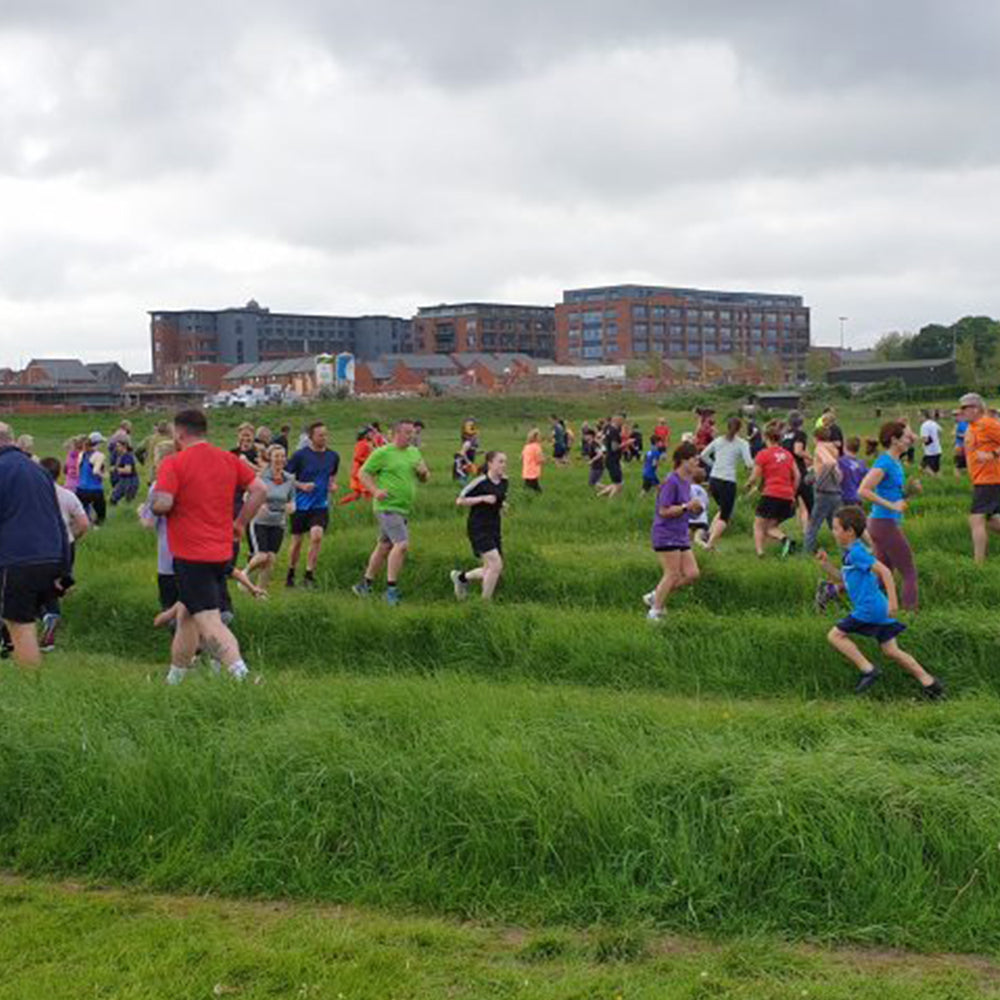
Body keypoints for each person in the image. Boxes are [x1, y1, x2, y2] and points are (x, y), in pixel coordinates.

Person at [151, 408, 267, 684]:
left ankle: (243, 676)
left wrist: (154, 507)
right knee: (187, 616)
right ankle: (174, 680)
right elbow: (260, 490)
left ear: (179, 433)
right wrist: (239, 523)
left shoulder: (173, 463)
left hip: (191, 554)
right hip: (221, 551)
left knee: (208, 620)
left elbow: (164, 503)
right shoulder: (229, 459)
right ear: (204, 431)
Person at [816, 505, 943, 698]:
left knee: (835, 636)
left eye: (835, 528)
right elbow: (846, 578)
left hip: (870, 609)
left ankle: (868, 670)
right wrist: (826, 566)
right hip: (877, 607)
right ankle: (930, 684)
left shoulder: (857, 553)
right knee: (891, 650)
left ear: (849, 531)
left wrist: (893, 602)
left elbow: (884, 571)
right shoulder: (852, 554)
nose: (833, 532)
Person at [0, 422, 71, 666]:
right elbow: (58, 520)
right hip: (49, 556)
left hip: (16, 559)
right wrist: (65, 568)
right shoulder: (38, 470)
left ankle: (33, 688)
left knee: (20, 624)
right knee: (22, 617)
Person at [353, 420, 429, 605]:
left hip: (403, 508)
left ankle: (365, 585)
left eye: (412, 433)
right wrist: (375, 491)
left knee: (384, 546)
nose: (411, 436)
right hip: (387, 507)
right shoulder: (383, 452)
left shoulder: (414, 452)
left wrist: (423, 472)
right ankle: (391, 590)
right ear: (396, 433)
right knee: (401, 545)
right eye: (407, 433)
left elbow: (425, 477)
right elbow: (363, 473)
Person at [857, 420, 919, 611]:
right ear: (894, 440)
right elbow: (863, 490)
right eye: (906, 437)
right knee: (909, 572)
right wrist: (891, 505)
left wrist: (910, 492)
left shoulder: (895, 462)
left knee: (883, 576)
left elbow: (892, 494)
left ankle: (835, 591)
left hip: (882, 523)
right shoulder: (885, 461)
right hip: (884, 523)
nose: (910, 440)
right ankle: (911, 615)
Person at [642, 441, 702, 621]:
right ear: (683, 460)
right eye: (694, 459)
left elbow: (683, 507)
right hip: (666, 533)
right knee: (672, 573)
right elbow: (663, 511)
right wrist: (686, 507)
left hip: (680, 533)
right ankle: (655, 613)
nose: (697, 463)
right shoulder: (671, 481)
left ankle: (655, 595)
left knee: (692, 574)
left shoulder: (686, 481)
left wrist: (694, 509)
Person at [38, 456, 90, 653]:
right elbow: (84, 523)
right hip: (65, 546)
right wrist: (72, 537)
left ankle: (46, 615)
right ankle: (50, 619)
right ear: (59, 473)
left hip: (39, 547)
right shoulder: (67, 495)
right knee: (58, 584)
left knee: (35, 585)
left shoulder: (33, 495)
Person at [285, 421, 340, 588]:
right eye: (320, 435)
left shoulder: (333, 456)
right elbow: (285, 476)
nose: (324, 438)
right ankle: (291, 572)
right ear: (311, 437)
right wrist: (301, 486)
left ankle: (309, 575)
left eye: (326, 434)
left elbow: (332, 475)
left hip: (320, 505)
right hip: (300, 505)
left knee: (316, 537)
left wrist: (333, 485)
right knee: (297, 542)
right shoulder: (300, 456)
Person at [451, 450, 508, 601]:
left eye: (505, 462)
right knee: (496, 565)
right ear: (490, 464)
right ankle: (484, 605)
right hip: (478, 528)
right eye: (500, 462)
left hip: (494, 527)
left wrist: (503, 506)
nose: (504, 465)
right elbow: (460, 500)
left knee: (490, 569)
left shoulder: (504, 481)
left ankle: (461, 578)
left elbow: (499, 499)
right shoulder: (480, 482)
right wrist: (482, 498)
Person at [246, 444, 296, 590]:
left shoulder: (290, 479)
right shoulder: (261, 477)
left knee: (271, 558)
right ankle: (244, 575)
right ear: (270, 458)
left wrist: (292, 506)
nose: (279, 459)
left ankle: (261, 591)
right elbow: (247, 496)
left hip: (278, 523)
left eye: (282, 456)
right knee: (262, 556)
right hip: (260, 521)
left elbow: (292, 500)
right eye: (276, 456)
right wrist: (259, 504)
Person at [746, 420, 800, 558]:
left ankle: (760, 553)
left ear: (766, 437)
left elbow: (754, 477)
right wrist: (793, 493)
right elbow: (797, 476)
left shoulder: (763, 454)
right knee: (770, 527)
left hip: (770, 494)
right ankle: (785, 540)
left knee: (758, 525)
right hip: (787, 495)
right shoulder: (788, 454)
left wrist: (747, 485)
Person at [957, 392, 1000, 564]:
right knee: (990, 520)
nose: (961, 412)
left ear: (976, 408)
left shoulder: (988, 424)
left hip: (990, 479)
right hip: (981, 480)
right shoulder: (971, 427)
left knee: (976, 519)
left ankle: (978, 564)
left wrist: (992, 454)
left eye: (964, 408)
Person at [700, 417, 753, 551]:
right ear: (740, 429)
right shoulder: (742, 443)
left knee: (722, 508)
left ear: (727, 427)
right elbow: (749, 464)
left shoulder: (718, 440)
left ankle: (708, 534)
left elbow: (703, 455)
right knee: (726, 515)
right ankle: (710, 545)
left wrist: (714, 466)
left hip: (714, 479)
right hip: (728, 481)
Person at [803, 426, 843, 554]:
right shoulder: (834, 448)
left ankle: (806, 553)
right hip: (835, 491)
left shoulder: (820, 447)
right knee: (836, 525)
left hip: (823, 491)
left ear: (815, 438)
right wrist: (837, 479)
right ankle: (845, 551)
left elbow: (829, 463)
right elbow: (836, 467)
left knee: (813, 525)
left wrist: (820, 481)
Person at [781, 411, 812, 529]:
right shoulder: (800, 434)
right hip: (799, 471)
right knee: (811, 505)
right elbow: (798, 451)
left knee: (794, 505)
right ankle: (810, 537)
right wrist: (811, 458)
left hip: (786, 472)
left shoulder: (784, 435)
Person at [76, 432, 107, 525]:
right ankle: (97, 529)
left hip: (81, 489)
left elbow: (78, 471)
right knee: (101, 517)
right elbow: (95, 471)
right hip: (95, 489)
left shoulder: (82, 454)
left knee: (81, 514)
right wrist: (105, 475)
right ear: (98, 443)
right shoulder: (99, 455)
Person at [338, 427, 375, 505]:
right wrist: (368, 462)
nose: (372, 434)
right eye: (370, 433)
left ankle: (339, 504)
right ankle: (367, 509)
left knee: (357, 494)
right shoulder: (362, 443)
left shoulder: (367, 443)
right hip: (360, 472)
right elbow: (357, 457)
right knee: (367, 492)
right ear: (365, 435)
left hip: (359, 471)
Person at [596, 415, 625, 498]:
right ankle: (611, 501)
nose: (622, 423)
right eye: (621, 421)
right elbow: (614, 447)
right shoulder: (614, 431)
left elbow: (602, 440)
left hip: (609, 458)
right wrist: (626, 443)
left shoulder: (608, 429)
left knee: (616, 483)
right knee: (618, 484)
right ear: (617, 421)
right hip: (613, 459)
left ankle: (599, 495)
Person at [838, 436, 868, 506]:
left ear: (844, 447)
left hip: (845, 497)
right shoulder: (861, 463)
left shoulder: (841, 462)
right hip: (858, 497)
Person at [689, 467, 710, 547]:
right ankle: (707, 546)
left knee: (688, 540)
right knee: (698, 539)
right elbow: (706, 505)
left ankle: (705, 549)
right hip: (702, 520)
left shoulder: (690, 488)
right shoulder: (704, 491)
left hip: (690, 520)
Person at [919, 409, 942, 476]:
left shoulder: (924, 425)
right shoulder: (933, 423)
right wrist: (936, 439)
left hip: (930, 452)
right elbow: (940, 431)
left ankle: (935, 479)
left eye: (919, 416)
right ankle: (940, 482)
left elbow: (925, 439)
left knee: (923, 467)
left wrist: (919, 439)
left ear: (923, 416)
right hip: (937, 450)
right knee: (937, 470)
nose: (918, 418)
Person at [581, 427, 605, 492]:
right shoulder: (590, 444)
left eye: (586, 435)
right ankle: (601, 494)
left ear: (590, 436)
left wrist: (592, 460)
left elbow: (600, 454)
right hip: (595, 466)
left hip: (598, 466)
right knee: (594, 483)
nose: (584, 437)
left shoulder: (594, 444)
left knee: (593, 483)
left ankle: (610, 489)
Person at [953, 409, 969, 479]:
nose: (955, 417)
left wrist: (957, 434)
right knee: (961, 467)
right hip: (960, 447)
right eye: (955, 416)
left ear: (962, 416)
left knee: (957, 467)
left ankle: (957, 483)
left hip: (962, 448)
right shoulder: (959, 424)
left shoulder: (963, 424)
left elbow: (966, 435)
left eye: (957, 415)